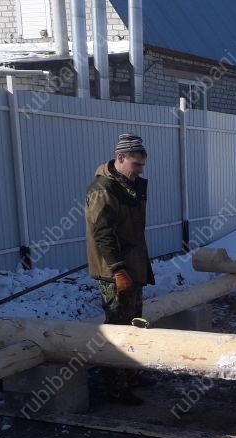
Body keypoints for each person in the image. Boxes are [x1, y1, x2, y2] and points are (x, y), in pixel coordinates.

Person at [85, 133, 155, 405]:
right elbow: (102, 234)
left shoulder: (129, 185)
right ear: (121, 158)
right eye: (136, 164)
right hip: (115, 271)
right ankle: (115, 386)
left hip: (133, 266)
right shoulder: (104, 190)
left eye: (141, 166)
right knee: (116, 328)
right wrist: (118, 270)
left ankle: (131, 375)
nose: (139, 170)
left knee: (135, 322)